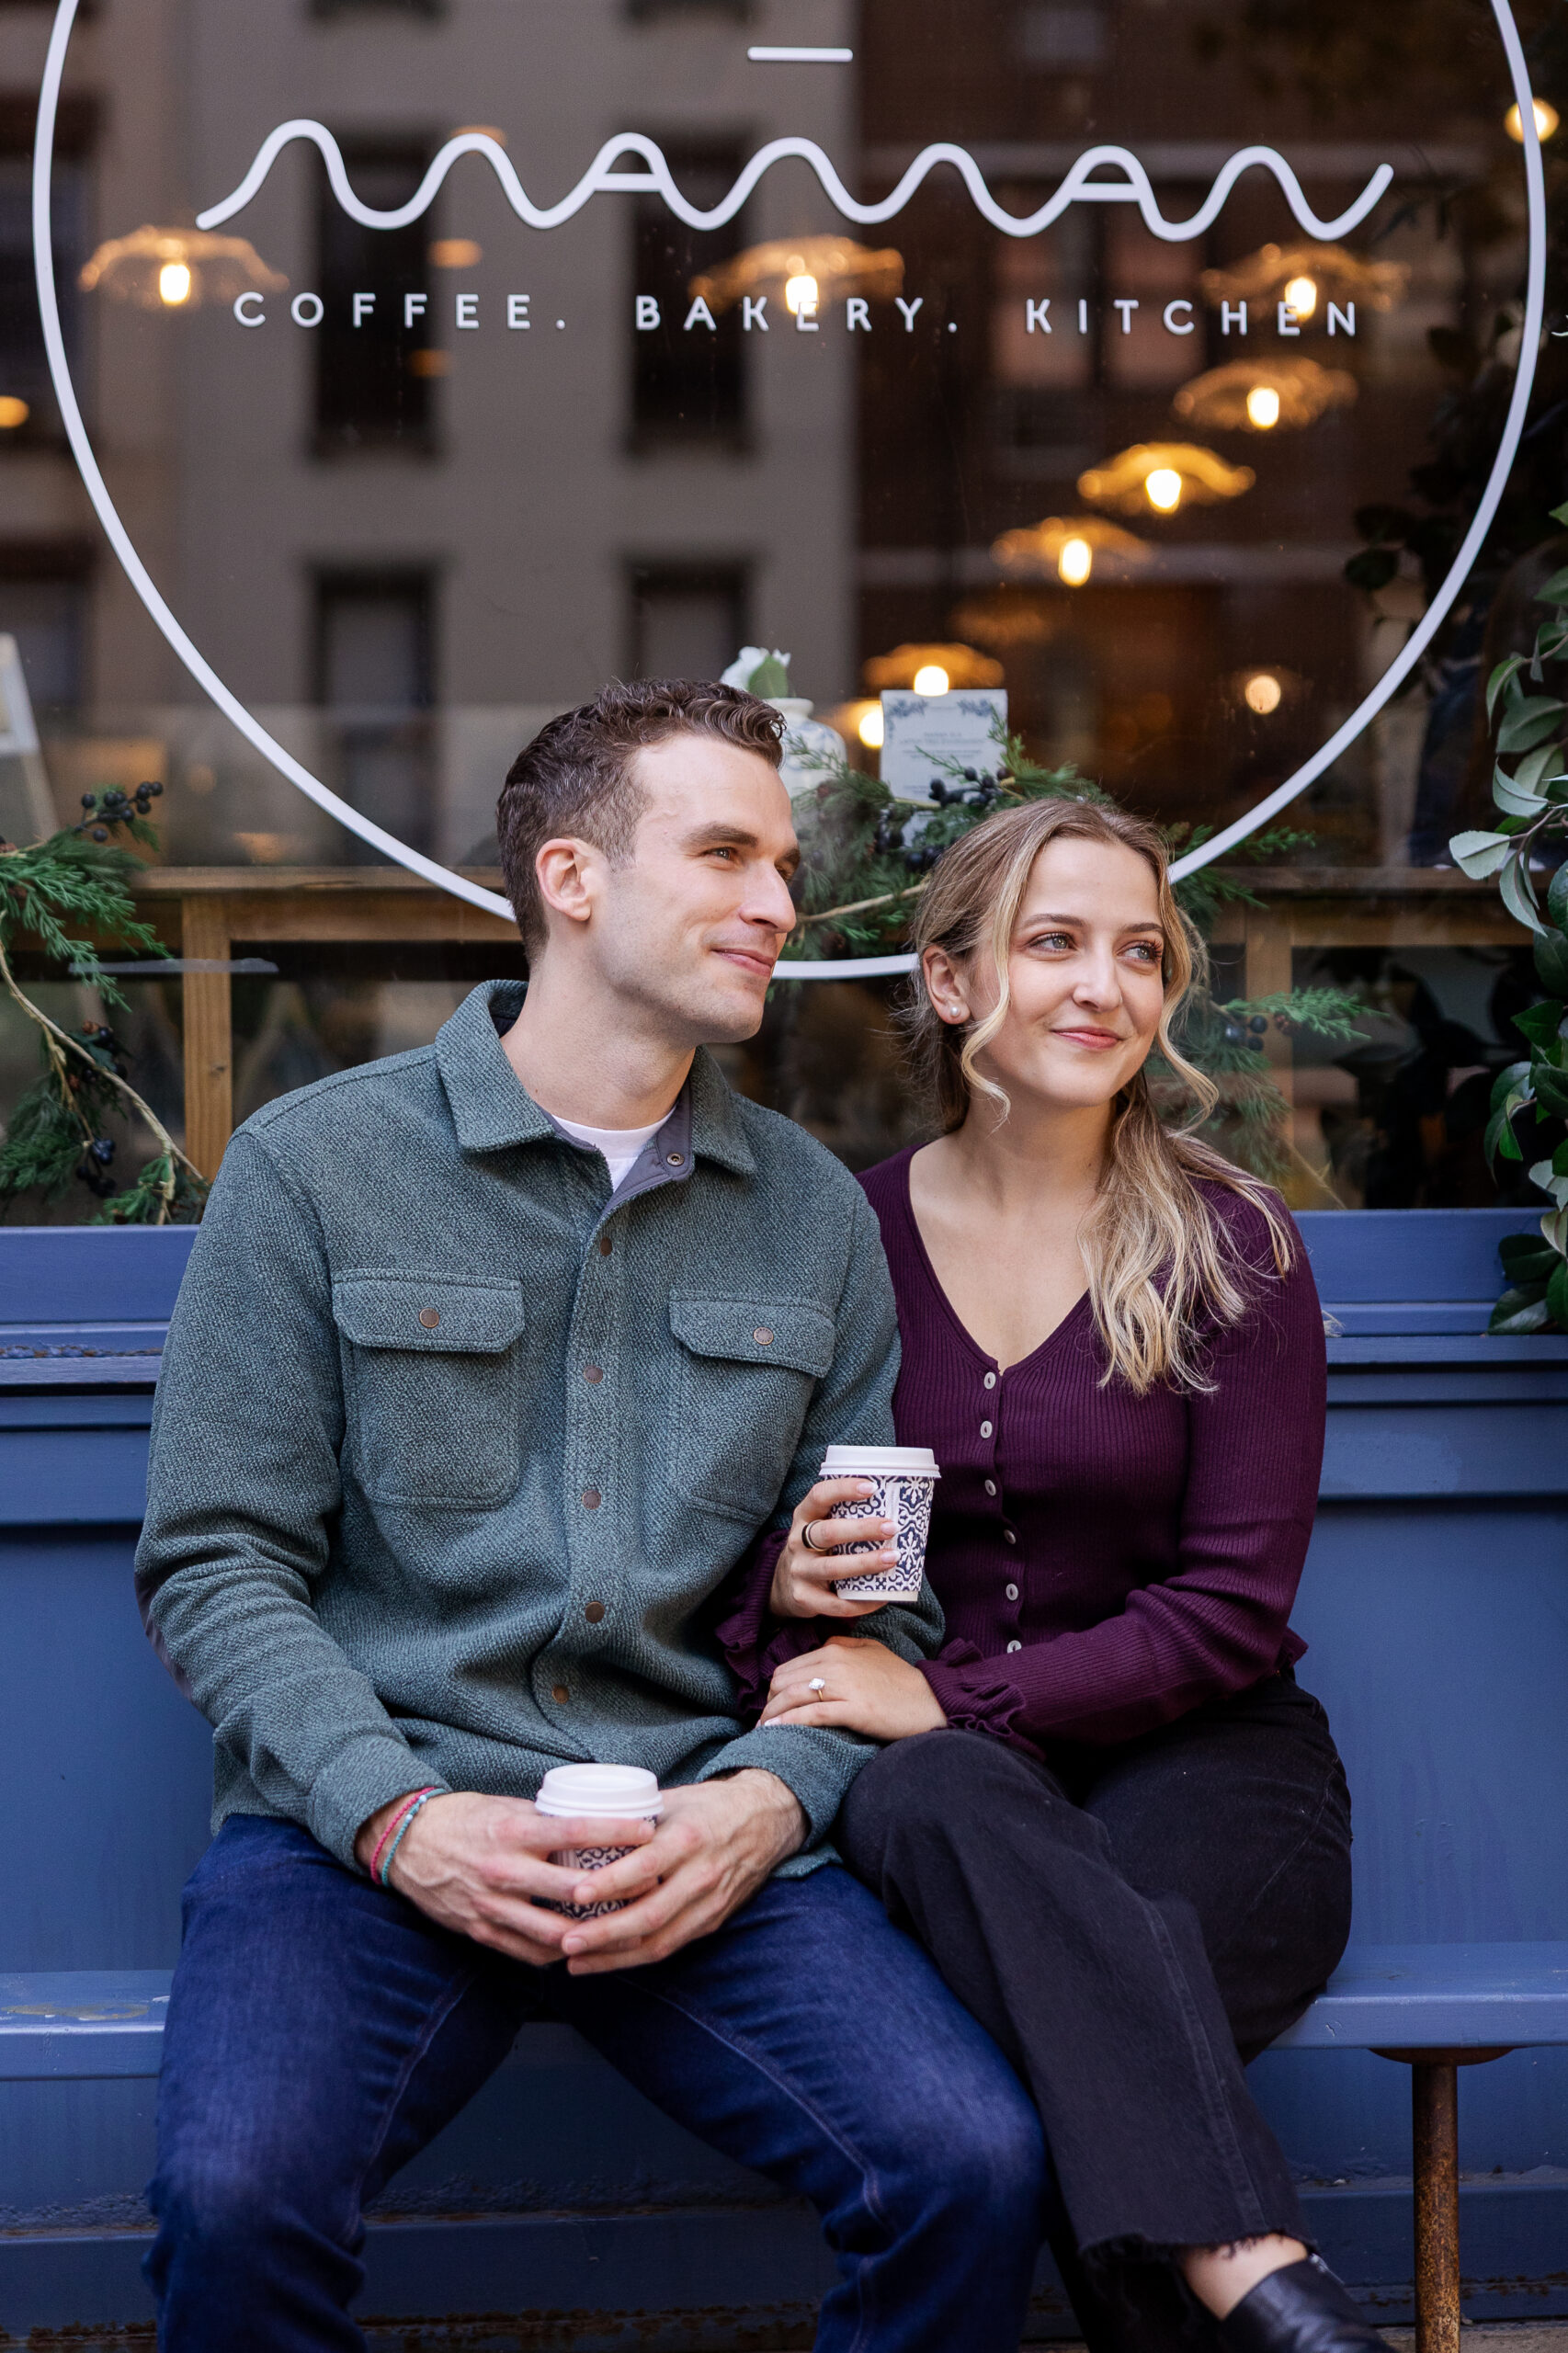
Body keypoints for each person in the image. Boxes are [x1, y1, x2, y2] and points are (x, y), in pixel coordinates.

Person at [132, 681, 1055, 2353]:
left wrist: (770, 1808)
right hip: (362, 1832)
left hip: (693, 1826)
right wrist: (397, 1819)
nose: (780, 906)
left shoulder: (811, 1222)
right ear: (571, 877)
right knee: (238, 2202)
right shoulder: (312, 1167)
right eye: (725, 854)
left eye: (784, 864)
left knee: (967, 2169)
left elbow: (876, 1612)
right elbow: (215, 1561)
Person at [717, 794, 1376, 2353]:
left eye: (1139, 953)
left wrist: (943, 1697)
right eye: (1053, 943)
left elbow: (1230, 1616)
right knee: (945, 1808)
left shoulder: (1230, 1244)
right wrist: (788, 1589)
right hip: (939, 1796)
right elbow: (732, 1566)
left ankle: (1250, 2282)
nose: (1104, 987)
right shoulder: (838, 1238)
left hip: (1206, 1763)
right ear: (950, 982)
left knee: (1072, 2007)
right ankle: (1269, 2289)